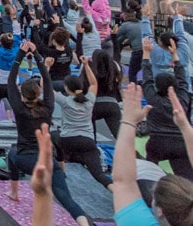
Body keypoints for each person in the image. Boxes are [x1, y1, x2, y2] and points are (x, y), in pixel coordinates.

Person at [5, 41, 90, 226]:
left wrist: (20, 54)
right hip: (48, 161)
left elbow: (10, 80)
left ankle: (14, 192)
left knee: (11, 155)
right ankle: (84, 223)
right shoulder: (48, 107)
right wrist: (37, 55)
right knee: (66, 199)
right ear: (38, 93)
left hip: (25, 159)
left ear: (23, 95)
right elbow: (47, 79)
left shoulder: (19, 109)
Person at [111, 83, 193, 226]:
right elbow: (123, 182)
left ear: (160, 211)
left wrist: (129, 120)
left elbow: (123, 182)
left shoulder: (138, 222)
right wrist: (185, 126)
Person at [55, 58, 113, 189]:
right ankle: (116, 191)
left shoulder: (65, 101)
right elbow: (93, 83)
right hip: (87, 141)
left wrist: (46, 67)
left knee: (53, 138)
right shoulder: (89, 100)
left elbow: (45, 86)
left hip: (67, 141)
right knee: (99, 175)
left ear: (66, 88)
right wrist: (86, 65)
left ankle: (59, 173)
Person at [141, 34, 192, 179]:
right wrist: (174, 55)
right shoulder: (182, 98)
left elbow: (147, 78)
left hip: (157, 143)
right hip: (180, 144)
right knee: (187, 177)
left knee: (149, 171)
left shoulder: (153, 99)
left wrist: (146, 53)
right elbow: (182, 78)